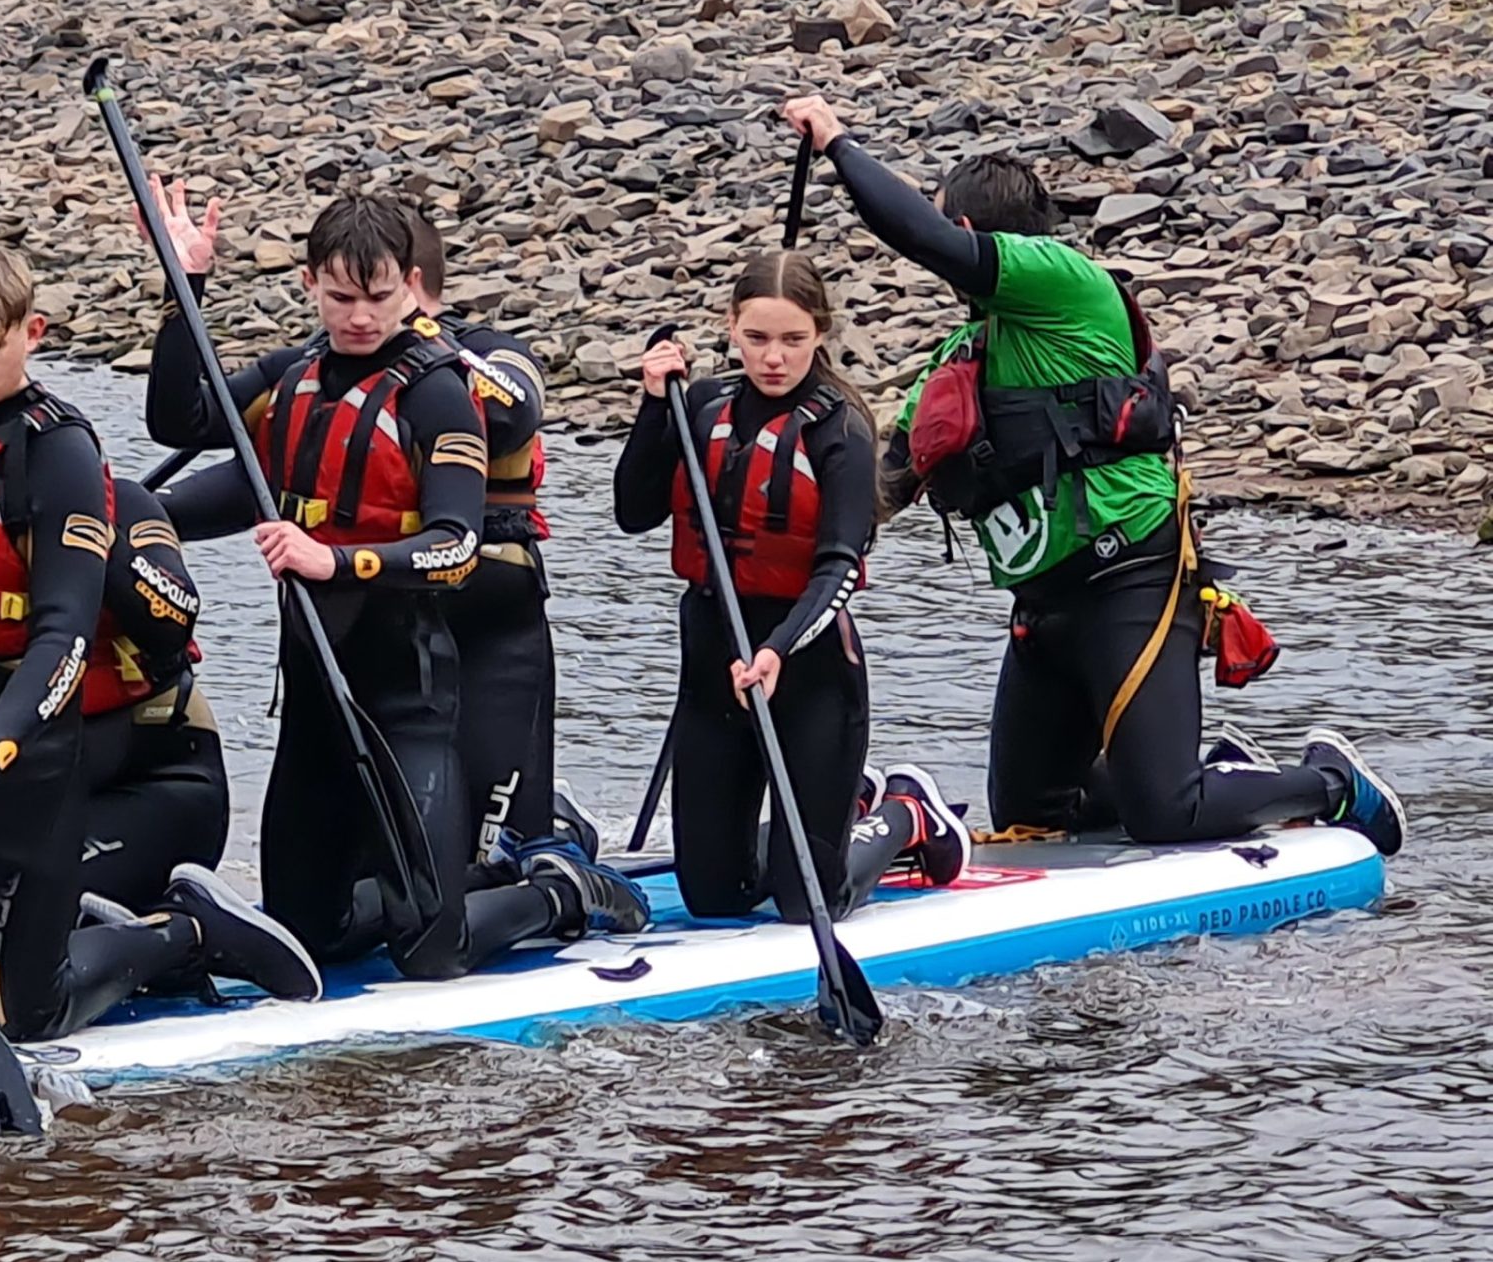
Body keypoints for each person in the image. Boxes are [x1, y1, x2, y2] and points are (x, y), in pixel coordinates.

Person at [779, 93, 1404, 853]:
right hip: (1044, 607)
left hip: (1129, 574)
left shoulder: (1065, 281)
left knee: (1165, 815)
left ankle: (1332, 783)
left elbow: (920, 239)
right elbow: (880, 494)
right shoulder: (960, 358)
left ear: (970, 232)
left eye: (952, 230)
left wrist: (840, 144)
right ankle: (1221, 773)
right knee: (1033, 812)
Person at [0, 242, 321, 1042]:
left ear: (30, 333)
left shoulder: (60, 450)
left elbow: (64, 638)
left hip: (23, 755)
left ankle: (185, 932)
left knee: (21, 1017)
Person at [144, 184, 650, 981]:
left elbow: (455, 546)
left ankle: (559, 893)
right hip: (314, 702)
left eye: (378, 297)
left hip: (410, 704)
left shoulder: (438, 387)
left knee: (431, 952)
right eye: (340, 297)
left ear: (409, 287)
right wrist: (184, 289)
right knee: (310, 932)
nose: (357, 317)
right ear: (310, 284)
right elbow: (179, 419)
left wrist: (334, 561)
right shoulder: (292, 374)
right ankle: (418, 887)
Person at [614, 251, 971, 920]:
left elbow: (839, 569)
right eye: (756, 339)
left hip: (808, 673)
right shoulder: (700, 406)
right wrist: (653, 408)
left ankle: (903, 814)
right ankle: (832, 812)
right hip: (713, 668)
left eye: (792, 340)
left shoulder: (840, 431)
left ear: (820, 335)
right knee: (714, 899)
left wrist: (777, 649)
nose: (773, 358)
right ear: (730, 329)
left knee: (808, 901)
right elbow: (633, 513)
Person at [402, 209, 588, 858]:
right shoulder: (340, 363)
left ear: (412, 280)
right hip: (391, 599)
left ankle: (552, 852)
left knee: (497, 846)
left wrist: (426, 343)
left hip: (491, 592)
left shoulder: (487, 350)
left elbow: (514, 412)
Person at [74, 477, 230, 916]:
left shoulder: (124, 505)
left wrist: (102, 538)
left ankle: (193, 934)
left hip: (157, 780)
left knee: (16, 935)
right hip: (43, 790)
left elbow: (176, 616)